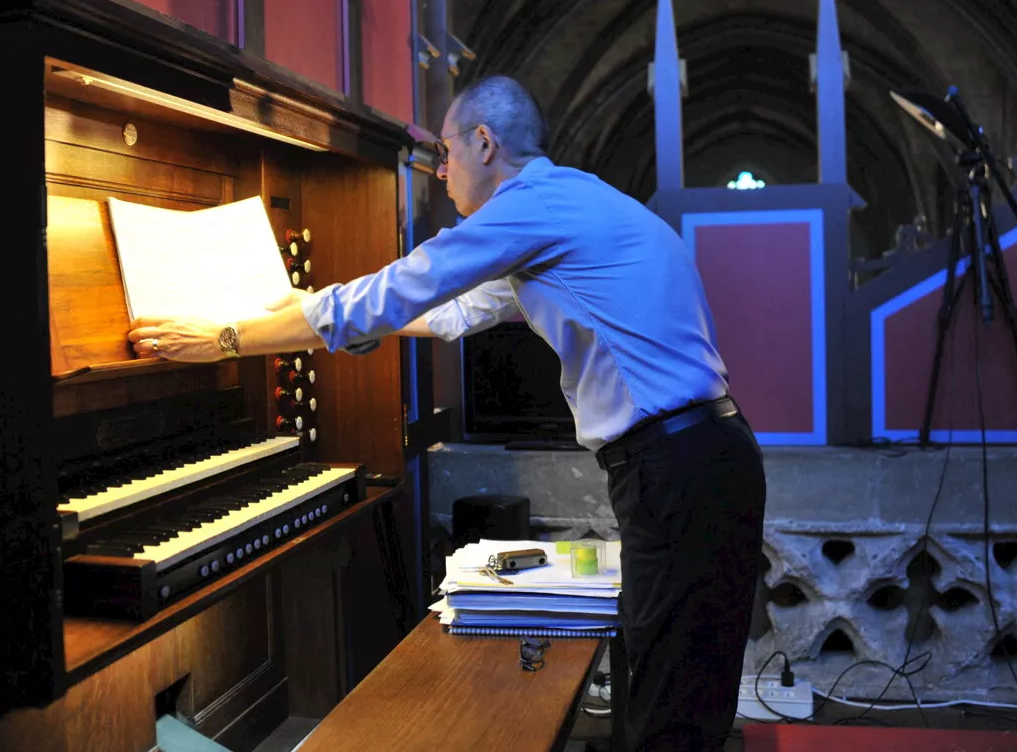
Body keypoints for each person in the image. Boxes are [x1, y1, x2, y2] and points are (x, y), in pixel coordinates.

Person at [128, 75, 767, 752]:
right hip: (697, 461)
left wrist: (225, 340)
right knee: (673, 690)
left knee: (674, 715)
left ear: (484, 143)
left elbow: (402, 288)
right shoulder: (564, 202)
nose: (440, 171)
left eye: (445, 154)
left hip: (677, 469)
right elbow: (456, 310)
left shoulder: (527, 208)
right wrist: (295, 307)